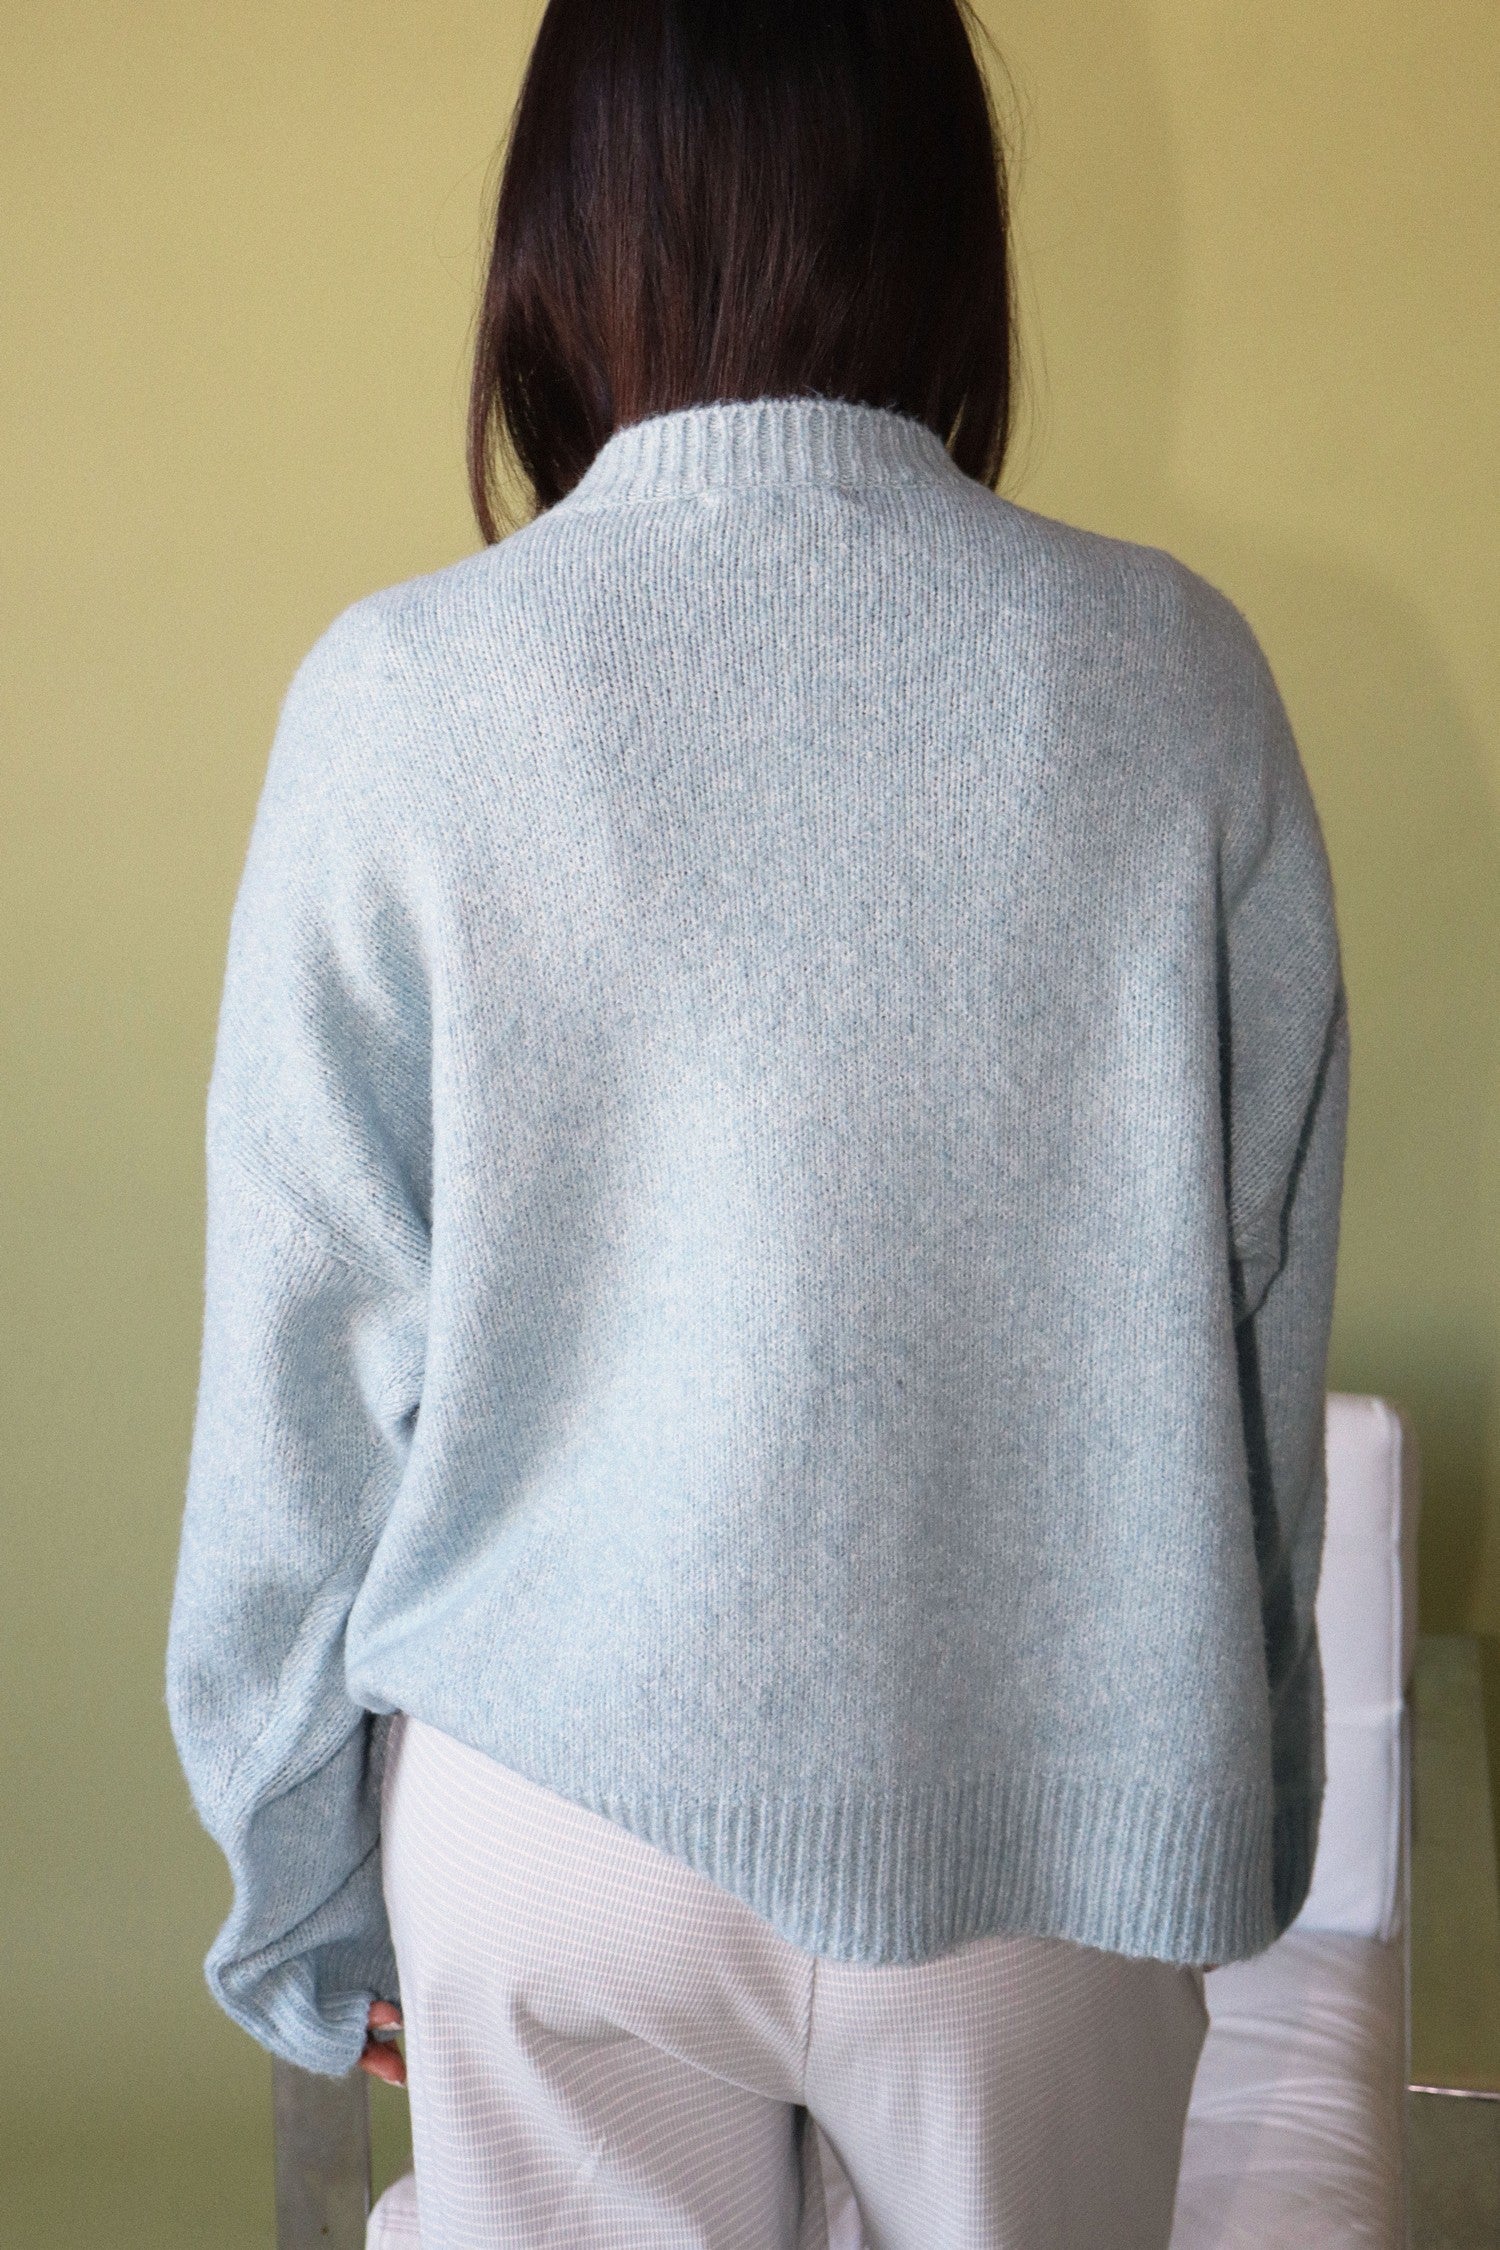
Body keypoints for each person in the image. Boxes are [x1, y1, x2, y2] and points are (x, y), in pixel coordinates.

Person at [165, 0, 1348, 2243]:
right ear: (949, 233)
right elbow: (1254, 1320)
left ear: (561, 236)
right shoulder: (1177, 676)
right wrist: (1238, 1807)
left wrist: (298, 1871)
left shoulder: (400, 696)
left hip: (551, 1801)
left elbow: (305, 1375)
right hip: (1047, 1815)